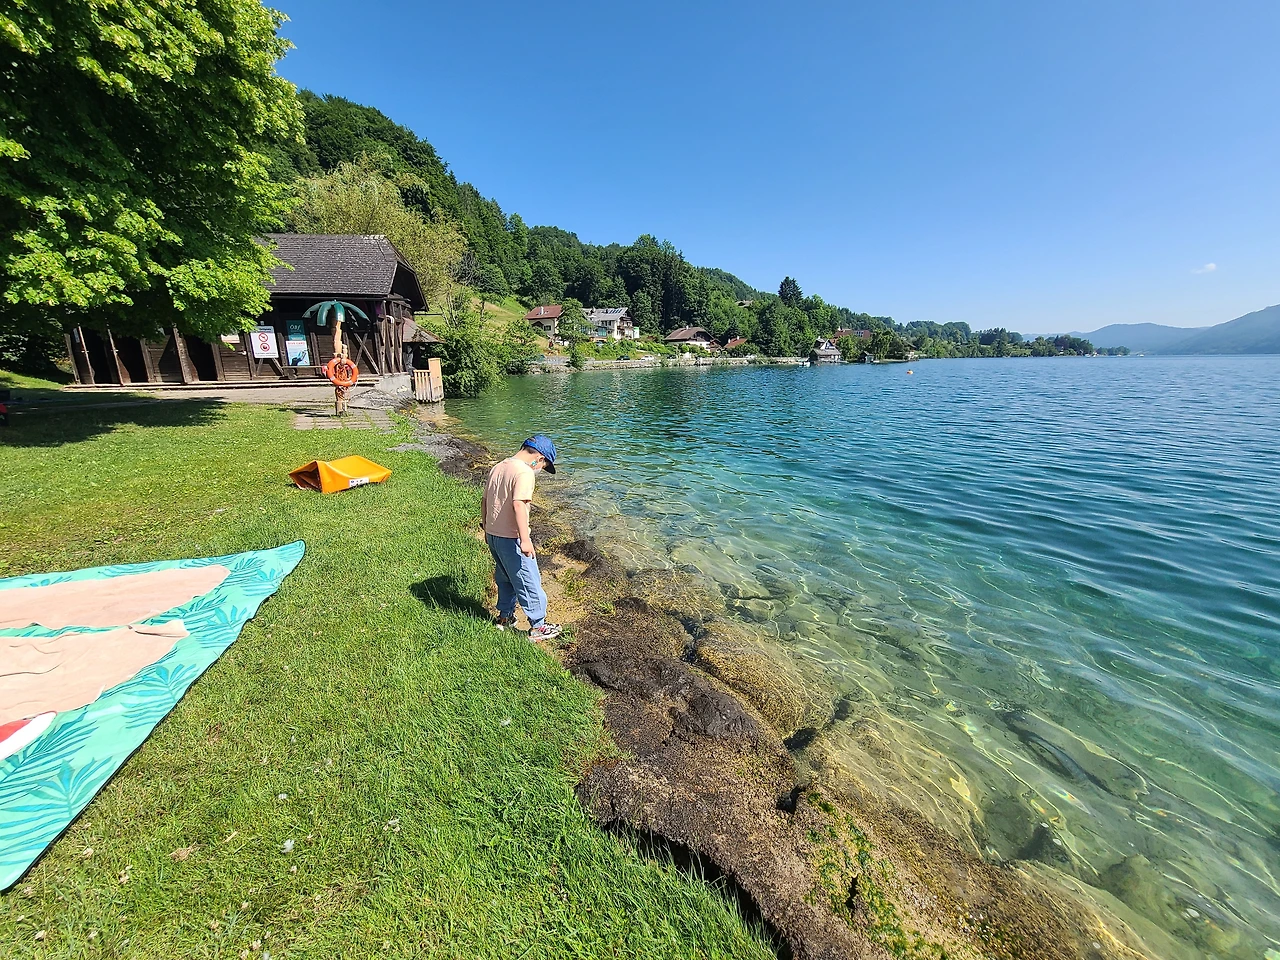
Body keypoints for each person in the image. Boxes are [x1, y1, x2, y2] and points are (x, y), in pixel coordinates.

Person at [480, 435, 563, 642]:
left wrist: (486, 528)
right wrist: (525, 540)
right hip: (512, 538)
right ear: (540, 459)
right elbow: (519, 505)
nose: (540, 470)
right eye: (543, 466)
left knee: (505, 577)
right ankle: (538, 626)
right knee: (529, 580)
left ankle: (505, 617)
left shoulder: (498, 467)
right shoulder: (525, 472)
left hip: (494, 534)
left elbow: (485, 501)